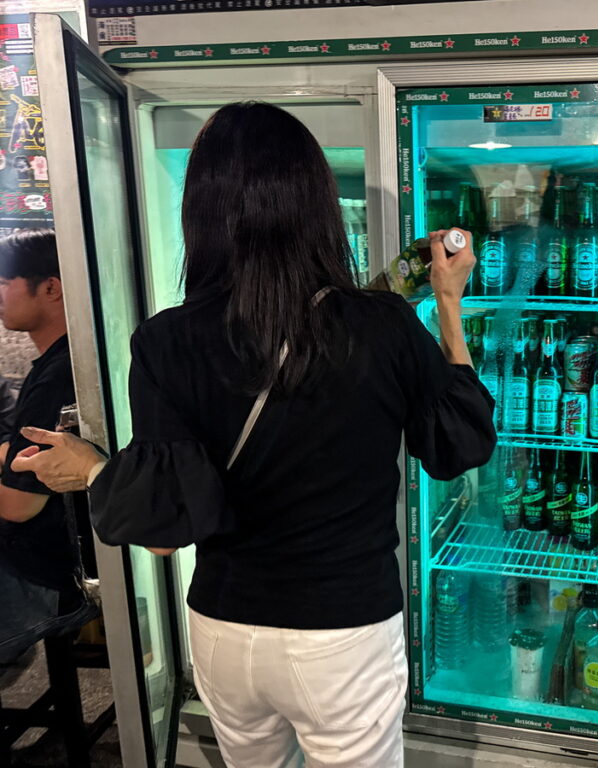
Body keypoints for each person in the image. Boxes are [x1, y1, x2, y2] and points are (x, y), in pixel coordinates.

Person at [12, 102, 496, 768]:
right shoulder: (381, 323)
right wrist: (447, 302)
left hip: (224, 629)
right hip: (342, 629)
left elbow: (162, 535)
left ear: (200, 211)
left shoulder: (163, 340)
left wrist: (97, 470)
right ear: (317, 205)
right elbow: (461, 445)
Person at [0, 229, 92, 665]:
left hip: (51, 578)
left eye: (4, 283)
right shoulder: (75, 359)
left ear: (51, 288)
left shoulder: (55, 379)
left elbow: (17, 506)